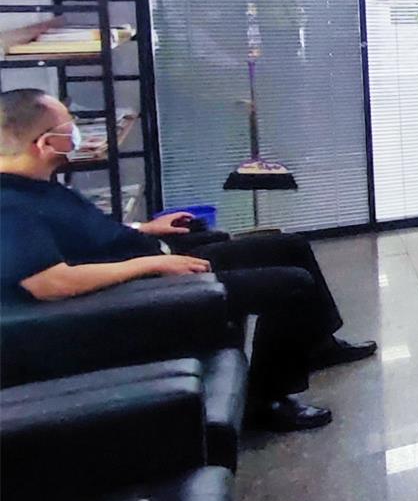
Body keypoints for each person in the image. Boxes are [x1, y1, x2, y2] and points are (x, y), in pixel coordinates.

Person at [0, 90, 369, 431]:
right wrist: (153, 265)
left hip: (156, 260)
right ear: (45, 144)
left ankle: (319, 344)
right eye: (69, 127)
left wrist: (144, 228)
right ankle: (267, 400)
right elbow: (51, 283)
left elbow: (84, 234)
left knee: (290, 246)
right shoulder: (10, 206)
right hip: (146, 289)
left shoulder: (37, 184)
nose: (77, 133)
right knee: (291, 284)